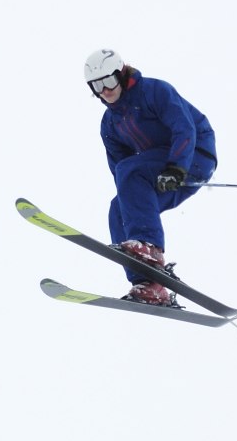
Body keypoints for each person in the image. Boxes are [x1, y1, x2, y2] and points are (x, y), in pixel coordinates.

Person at [84, 49, 218, 305]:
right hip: (157, 169)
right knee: (118, 209)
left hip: (194, 156)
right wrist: (132, 200)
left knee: (130, 171)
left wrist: (177, 167)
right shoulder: (109, 124)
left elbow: (184, 128)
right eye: (97, 86)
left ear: (121, 74)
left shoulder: (154, 92)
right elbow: (120, 170)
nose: (105, 90)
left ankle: (149, 247)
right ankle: (149, 283)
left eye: (109, 81)